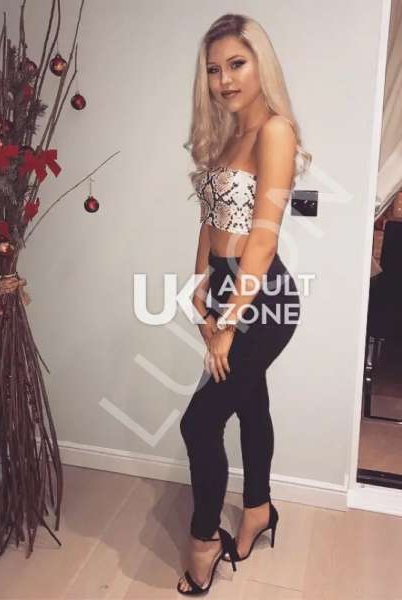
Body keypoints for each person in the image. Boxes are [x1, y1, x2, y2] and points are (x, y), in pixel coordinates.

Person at [178, 12, 312, 595]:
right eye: (214, 70)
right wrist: (200, 287)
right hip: (227, 286)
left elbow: (263, 238)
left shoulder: (275, 131)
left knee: (198, 422)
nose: (225, 80)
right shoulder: (227, 135)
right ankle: (258, 509)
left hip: (263, 296)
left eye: (236, 64)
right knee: (250, 402)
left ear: (262, 65)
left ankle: (203, 541)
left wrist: (229, 321)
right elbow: (210, 219)